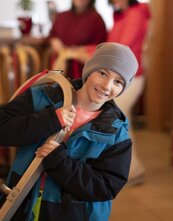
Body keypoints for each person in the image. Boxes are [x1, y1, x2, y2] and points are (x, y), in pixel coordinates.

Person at [0, 42, 138, 221]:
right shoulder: (43, 97)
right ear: (89, 70)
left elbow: (105, 187)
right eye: (102, 73)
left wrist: (58, 160)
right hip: (21, 204)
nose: (106, 86)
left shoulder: (116, 135)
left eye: (118, 82)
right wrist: (50, 119)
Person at [106, 0, 151, 185]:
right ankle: (129, 170)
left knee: (121, 121)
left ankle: (134, 171)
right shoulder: (120, 16)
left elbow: (122, 46)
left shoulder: (135, 14)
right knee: (121, 121)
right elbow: (110, 45)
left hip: (132, 77)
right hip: (122, 77)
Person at [47, 0, 107, 78]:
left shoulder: (97, 19)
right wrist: (56, 43)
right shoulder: (62, 16)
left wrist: (71, 52)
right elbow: (52, 35)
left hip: (83, 69)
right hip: (60, 64)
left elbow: (100, 46)